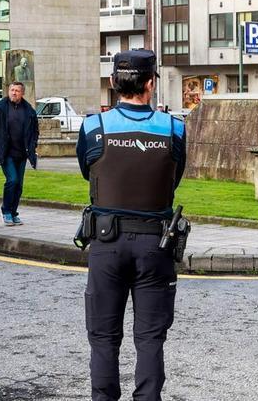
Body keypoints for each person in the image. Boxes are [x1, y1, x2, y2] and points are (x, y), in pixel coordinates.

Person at [76, 49, 187, 401]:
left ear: (113, 83)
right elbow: (175, 177)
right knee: (151, 339)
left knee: (104, 338)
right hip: (156, 245)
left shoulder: (94, 127)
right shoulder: (174, 129)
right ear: (151, 85)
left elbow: (87, 170)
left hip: (107, 244)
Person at [0, 82, 39, 226]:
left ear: (22, 93)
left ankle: (13, 213)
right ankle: (6, 211)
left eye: (17, 91)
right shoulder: (0, 107)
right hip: (6, 152)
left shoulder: (29, 110)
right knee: (12, 180)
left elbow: (35, 132)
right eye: (12, 90)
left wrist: (33, 147)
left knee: (19, 185)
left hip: (22, 154)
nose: (14, 93)